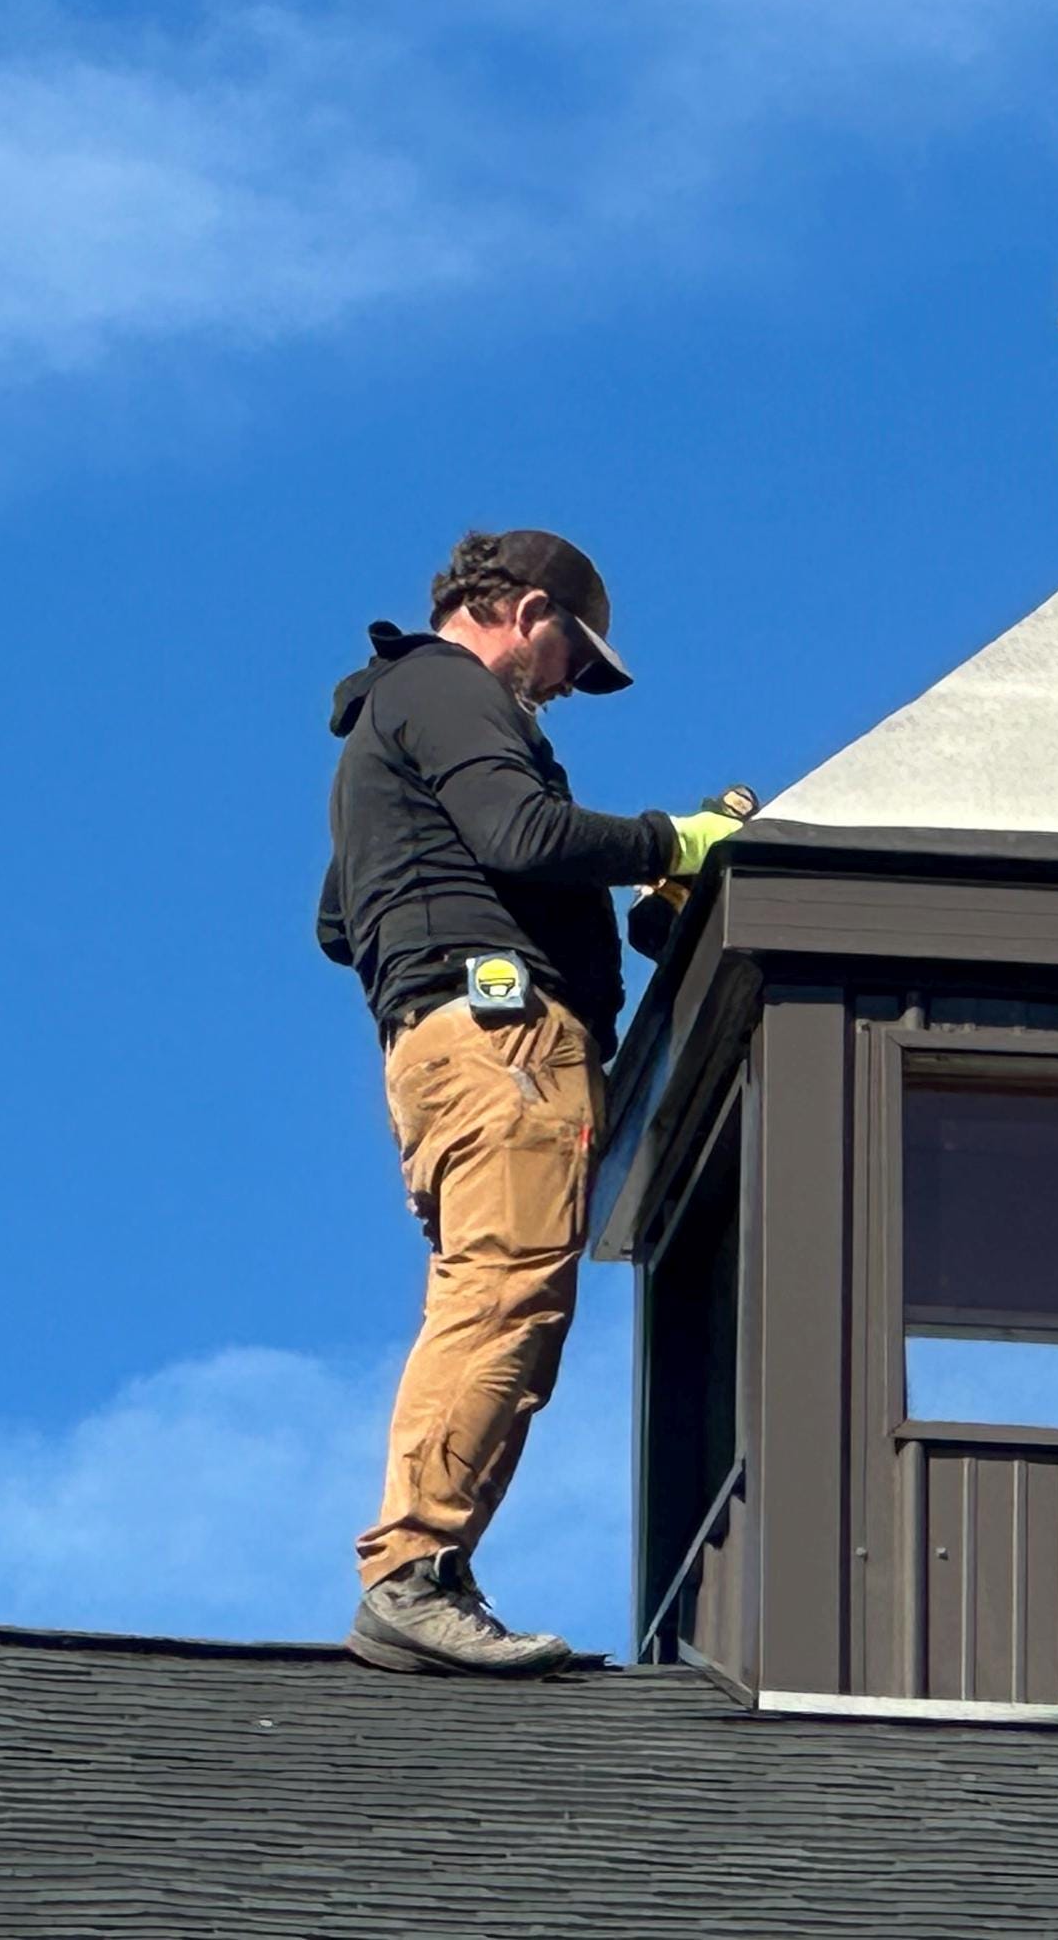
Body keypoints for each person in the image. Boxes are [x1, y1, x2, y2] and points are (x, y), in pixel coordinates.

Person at [317, 528, 741, 1676]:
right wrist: (675, 841)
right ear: (530, 611)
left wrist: (615, 911)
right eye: (571, 657)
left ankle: (429, 1569)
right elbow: (522, 834)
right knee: (505, 1299)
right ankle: (412, 1572)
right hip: (503, 1044)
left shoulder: (387, 720)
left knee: (497, 1299)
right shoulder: (448, 691)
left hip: (448, 1046)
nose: (567, 687)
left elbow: (340, 919)